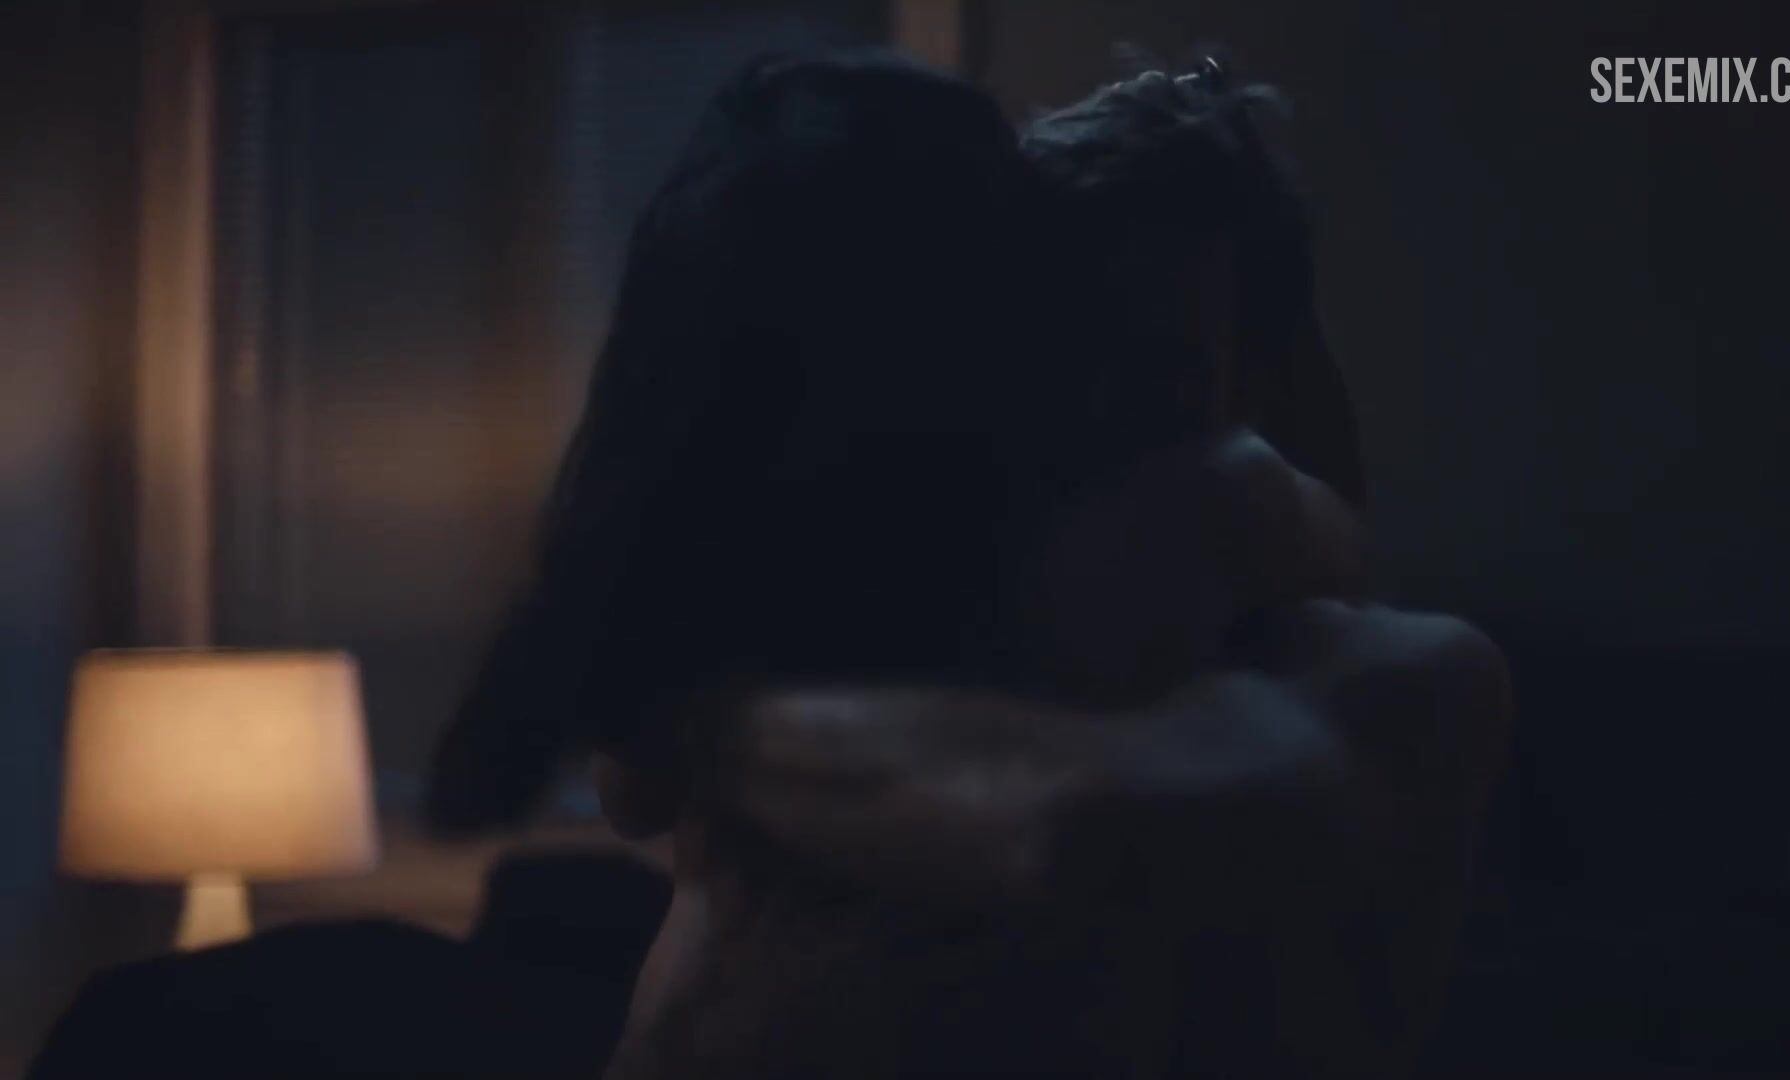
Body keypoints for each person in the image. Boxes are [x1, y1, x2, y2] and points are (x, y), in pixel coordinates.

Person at [426, 47, 1510, 1079]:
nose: (1086, 415)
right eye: (1046, 359)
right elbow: (631, 783)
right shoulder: (878, 580)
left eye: (1149, 372)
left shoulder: (1366, 660)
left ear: (1255, 385)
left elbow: (1093, 820)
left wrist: (706, 714)